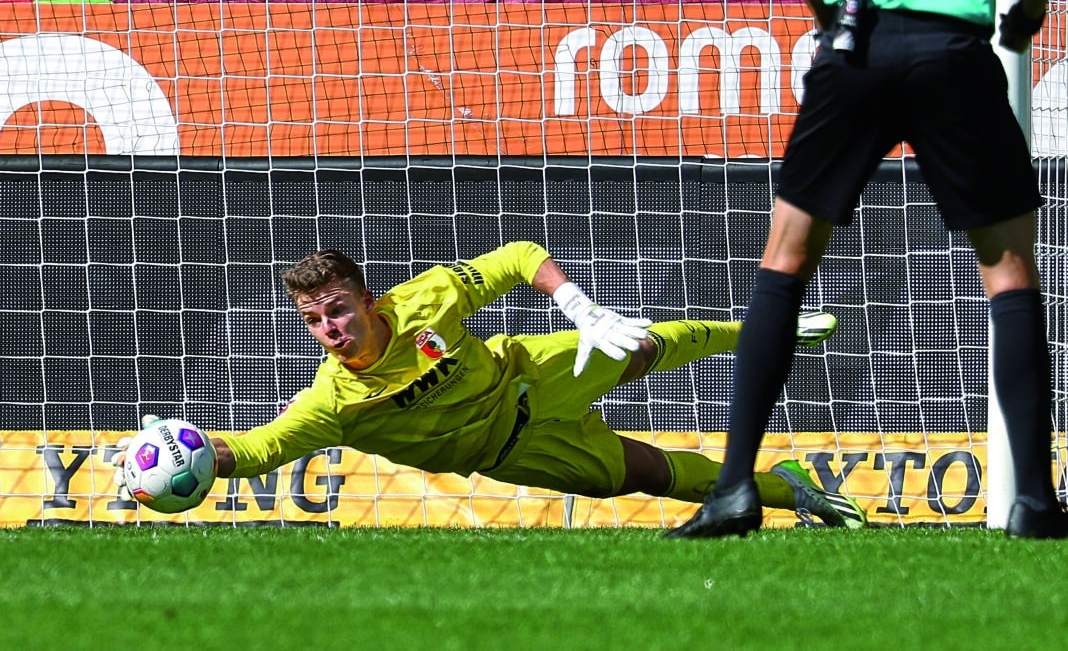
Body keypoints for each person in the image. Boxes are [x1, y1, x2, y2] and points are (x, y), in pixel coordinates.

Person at [666, 0, 1066, 540]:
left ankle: (734, 486)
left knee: (785, 258)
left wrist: (830, 13)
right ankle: (1033, 500)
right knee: (1010, 273)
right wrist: (1028, 12)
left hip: (861, 45)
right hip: (951, 52)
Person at [115, 241, 866, 529]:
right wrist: (190, 450)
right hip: (511, 452)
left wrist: (578, 304)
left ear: (368, 301)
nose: (331, 327)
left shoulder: (426, 300)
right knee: (652, 475)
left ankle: (763, 327)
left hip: (530, 375)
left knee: (636, 343)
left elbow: (516, 257)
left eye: (338, 308)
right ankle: (791, 488)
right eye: (315, 320)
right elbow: (255, 449)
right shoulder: (331, 404)